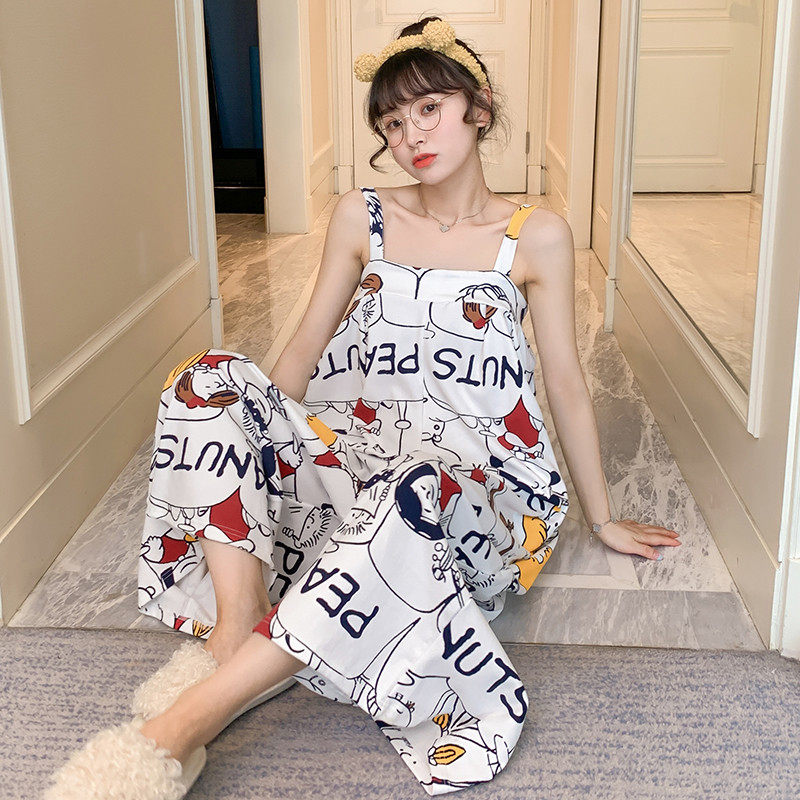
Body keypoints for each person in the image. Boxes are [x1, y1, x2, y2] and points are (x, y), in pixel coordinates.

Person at [44, 16, 681, 800]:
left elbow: (568, 386)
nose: (411, 136)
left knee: (411, 490)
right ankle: (239, 629)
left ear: (479, 108)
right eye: (392, 123)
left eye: (429, 109)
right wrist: (261, 448)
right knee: (208, 379)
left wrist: (602, 516)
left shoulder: (535, 236)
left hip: (466, 492)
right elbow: (303, 350)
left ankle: (176, 732)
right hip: (356, 460)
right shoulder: (362, 216)